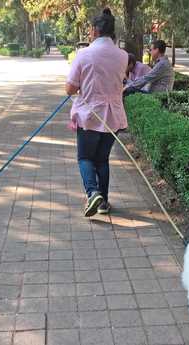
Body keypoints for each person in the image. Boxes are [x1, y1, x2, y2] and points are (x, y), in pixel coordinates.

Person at [65, 8, 128, 217]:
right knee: (102, 159)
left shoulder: (84, 54)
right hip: (113, 116)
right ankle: (103, 203)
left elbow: (70, 89)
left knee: (85, 158)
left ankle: (92, 193)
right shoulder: (122, 56)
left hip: (90, 115)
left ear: (94, 30)